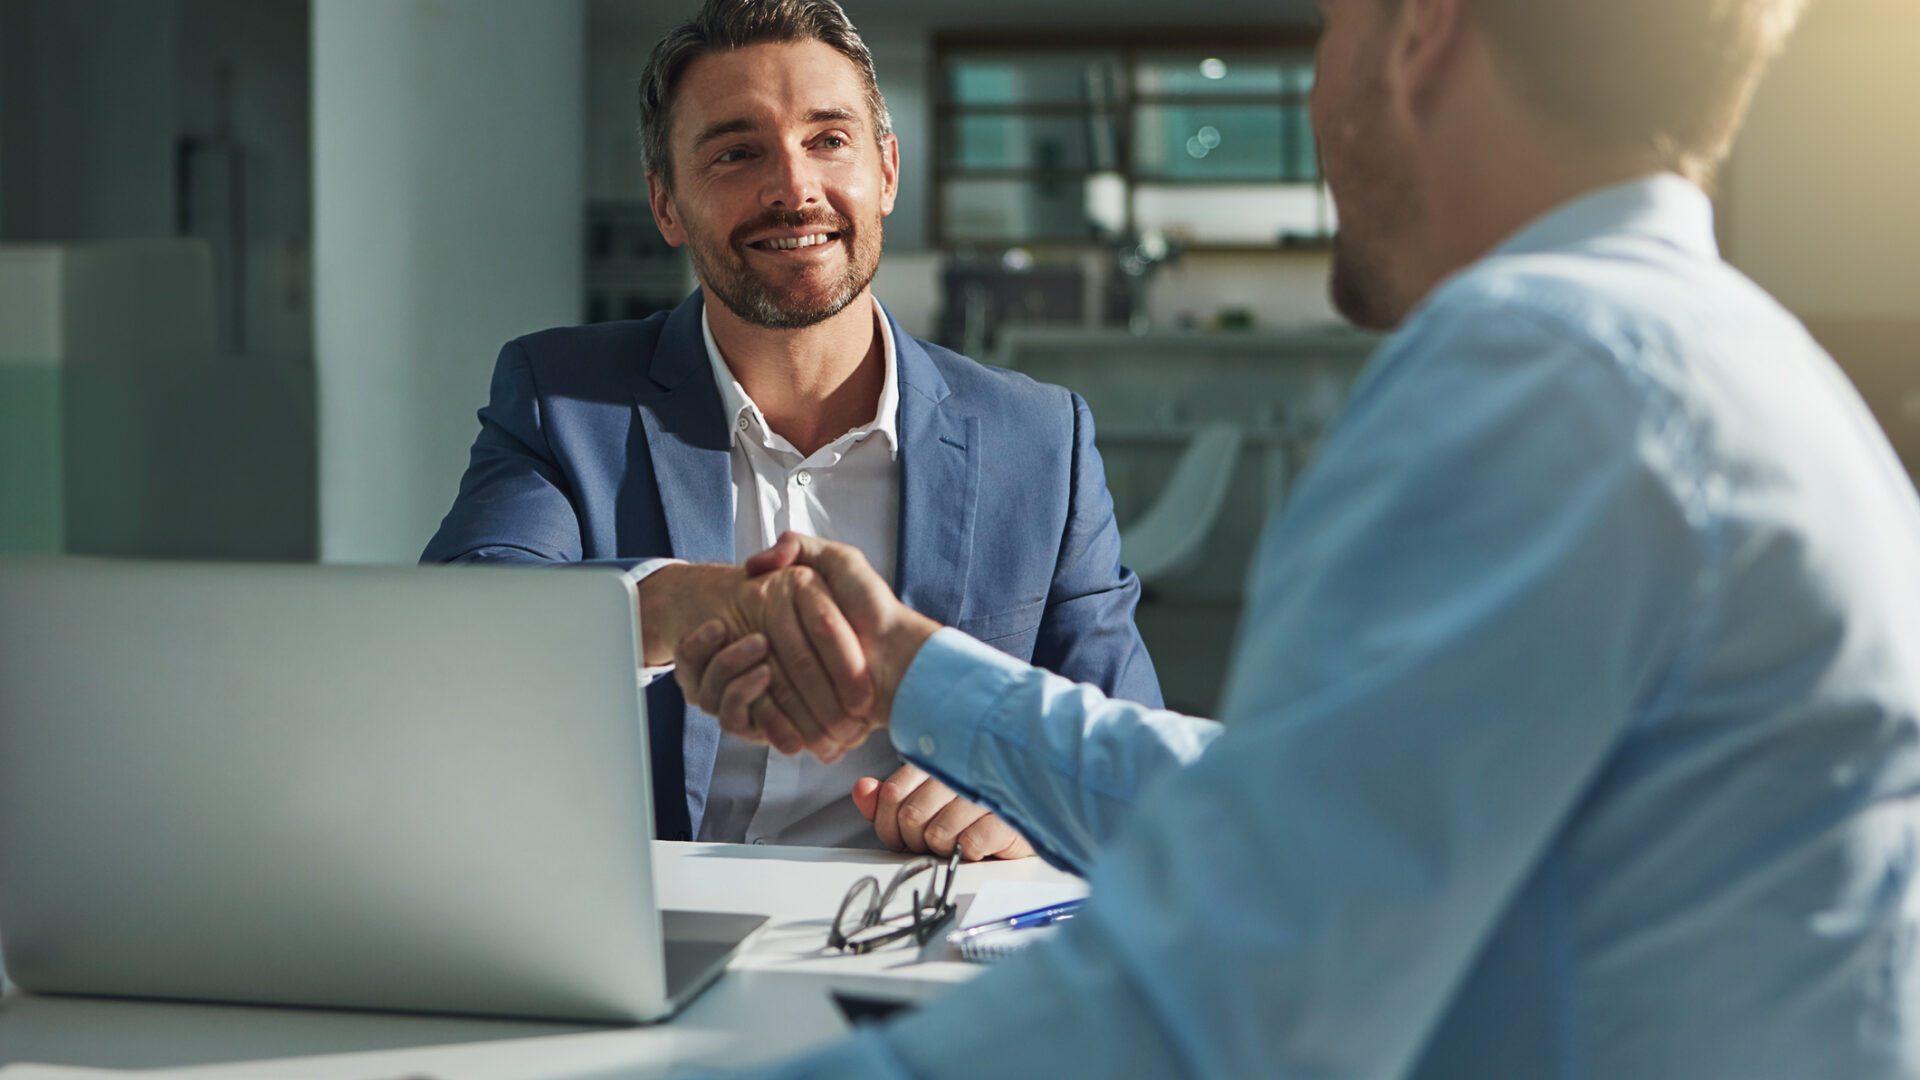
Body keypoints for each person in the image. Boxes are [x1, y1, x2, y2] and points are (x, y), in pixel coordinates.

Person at [674, 0, 1920, 1074]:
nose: (1322, 90)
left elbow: (1210, 1009)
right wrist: (914, 671)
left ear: (1419, 36)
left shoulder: (1537, 373)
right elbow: (1287, 809)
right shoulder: (1726, 362)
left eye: (1330, 27)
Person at [420, 0, 1160, 856]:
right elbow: (460, 626)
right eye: (737, 152)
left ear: (886, 170)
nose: (794, 188)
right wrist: (685, 602)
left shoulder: (1040, 441)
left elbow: (1129, 756)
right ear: (667, 204)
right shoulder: (563, 398)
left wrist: (1032, 805)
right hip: (649, 936)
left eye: (828, 140)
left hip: (922, 936)